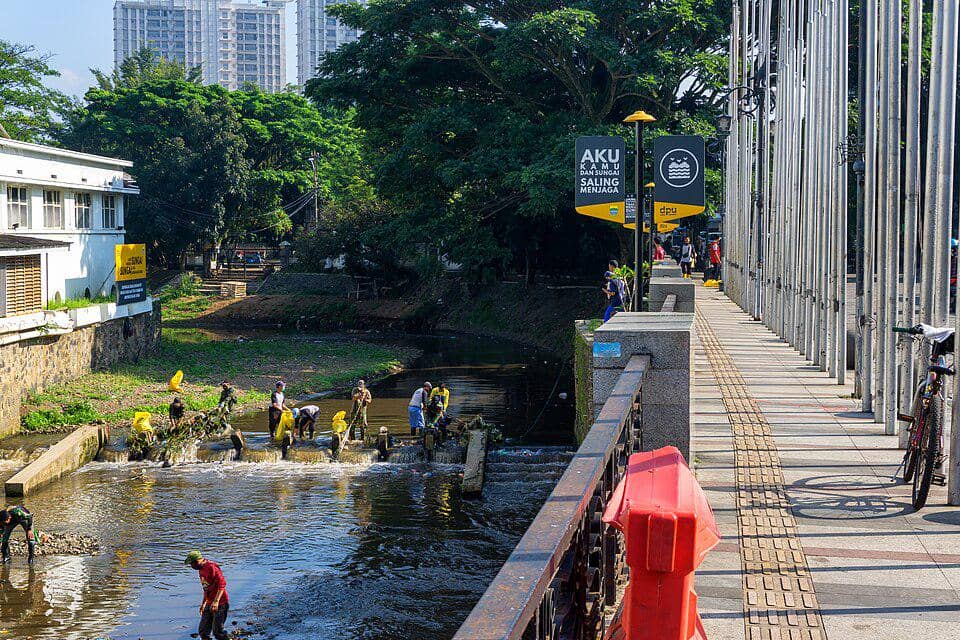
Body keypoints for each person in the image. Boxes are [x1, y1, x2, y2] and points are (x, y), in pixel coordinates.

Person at [185, 551, 230, 640]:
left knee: (218, 632)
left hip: (220, 603)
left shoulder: (211, 567)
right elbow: (206, 588)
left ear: (197, 561)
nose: (191, 566)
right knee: (203, 631)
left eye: (191, 564)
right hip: (209, 602)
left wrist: (216, 602)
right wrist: (203, 604)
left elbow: (222, 584)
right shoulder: (201, 570)